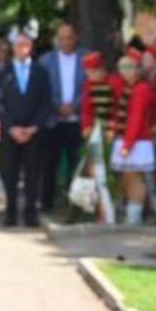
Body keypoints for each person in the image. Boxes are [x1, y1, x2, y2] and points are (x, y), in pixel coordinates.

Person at [107, 41, 156, 227]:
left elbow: (136, 119)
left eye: (128, 67)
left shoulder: (141, 89)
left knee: (135, 178)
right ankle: (133, 212)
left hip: (137, 141)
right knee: (128, 177)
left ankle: (134, 215)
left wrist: (127, 145)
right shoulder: (131, 87)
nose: (124, 72)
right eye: (122, 68)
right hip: (130, 139)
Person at [0, 30, 50, 229]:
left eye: (26, 45)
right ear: (13, 48)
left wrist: (34, 127)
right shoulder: (3, 71)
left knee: (33, 174)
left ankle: (31, 213)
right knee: (11, 173)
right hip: (11, 131)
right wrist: (11, 127)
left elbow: (45, 103)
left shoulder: (40, 72)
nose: (22, 49)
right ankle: (10, 212)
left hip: (33, 131)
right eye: (18, 45)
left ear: (30, 48)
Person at [40, 21, 92, 221]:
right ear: (56, 39)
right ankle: (47, 202)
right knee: (49, 163)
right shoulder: (46, 61)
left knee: (76, 163)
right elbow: (44, 89)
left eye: (69, 37)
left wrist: (74, 105)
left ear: (75, 38)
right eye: (61, 38)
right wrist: (57, 106)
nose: (65, 41)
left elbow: (88, 86)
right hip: (54, 119)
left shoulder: (86, 57)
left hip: (78, 119)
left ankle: (75, 204)